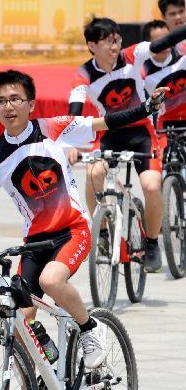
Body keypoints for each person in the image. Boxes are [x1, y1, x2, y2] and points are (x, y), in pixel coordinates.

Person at [0, 69, 166, 390]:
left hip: (72, 232)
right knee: (17, 314)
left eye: (15, 99)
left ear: (30, 103)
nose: (8, 106)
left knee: (50, 279)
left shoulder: (54, 128)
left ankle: (89, 328)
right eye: (0, 101)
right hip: (34, 243)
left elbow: (104, 121)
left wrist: (145, 107)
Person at [68, 18, 186, 272]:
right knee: (93, 173)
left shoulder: (132, 55)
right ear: (91, 45)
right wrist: (72, 143)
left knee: (152, 186)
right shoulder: (84, 73)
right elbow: (75, 111)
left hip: (142, 132)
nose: (115, 45)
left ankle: (152, 243)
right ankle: (101, 235)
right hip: (110, 134)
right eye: (108, 40)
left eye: (117, 38)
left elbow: (164, 42)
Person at [142, 20, 186, 130]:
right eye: (160, 42)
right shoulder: (141, 73)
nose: (165, 45)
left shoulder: (182, 55)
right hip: (165, 124)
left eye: (167, 39)